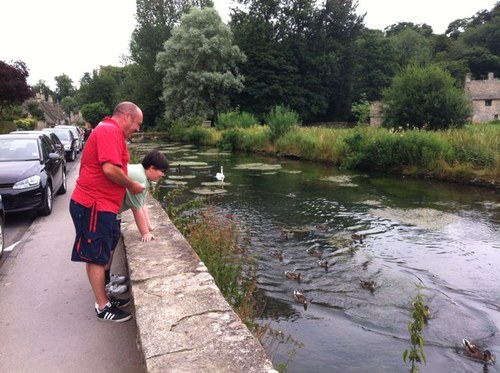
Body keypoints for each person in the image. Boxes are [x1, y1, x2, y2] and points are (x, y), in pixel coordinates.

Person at [70, 101, 145, 323]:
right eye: (138, 123)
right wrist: (131, 185)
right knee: (95, 255)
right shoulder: (110, 131)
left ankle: (106, 296)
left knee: (103, 249)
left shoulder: (109, 131)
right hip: (94, 205)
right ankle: (102, 306)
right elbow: (110, 169)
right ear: (126, 116)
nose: (138, 129)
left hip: (103, 205)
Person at [118, 149, 169, 242]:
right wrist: (145, 233)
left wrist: (149, 226)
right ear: (152, 168)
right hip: (104, 211)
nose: (163, 175)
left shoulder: (142, 173)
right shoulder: (140, 177)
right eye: (162, 171)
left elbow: (142, 204)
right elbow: (136, 209)